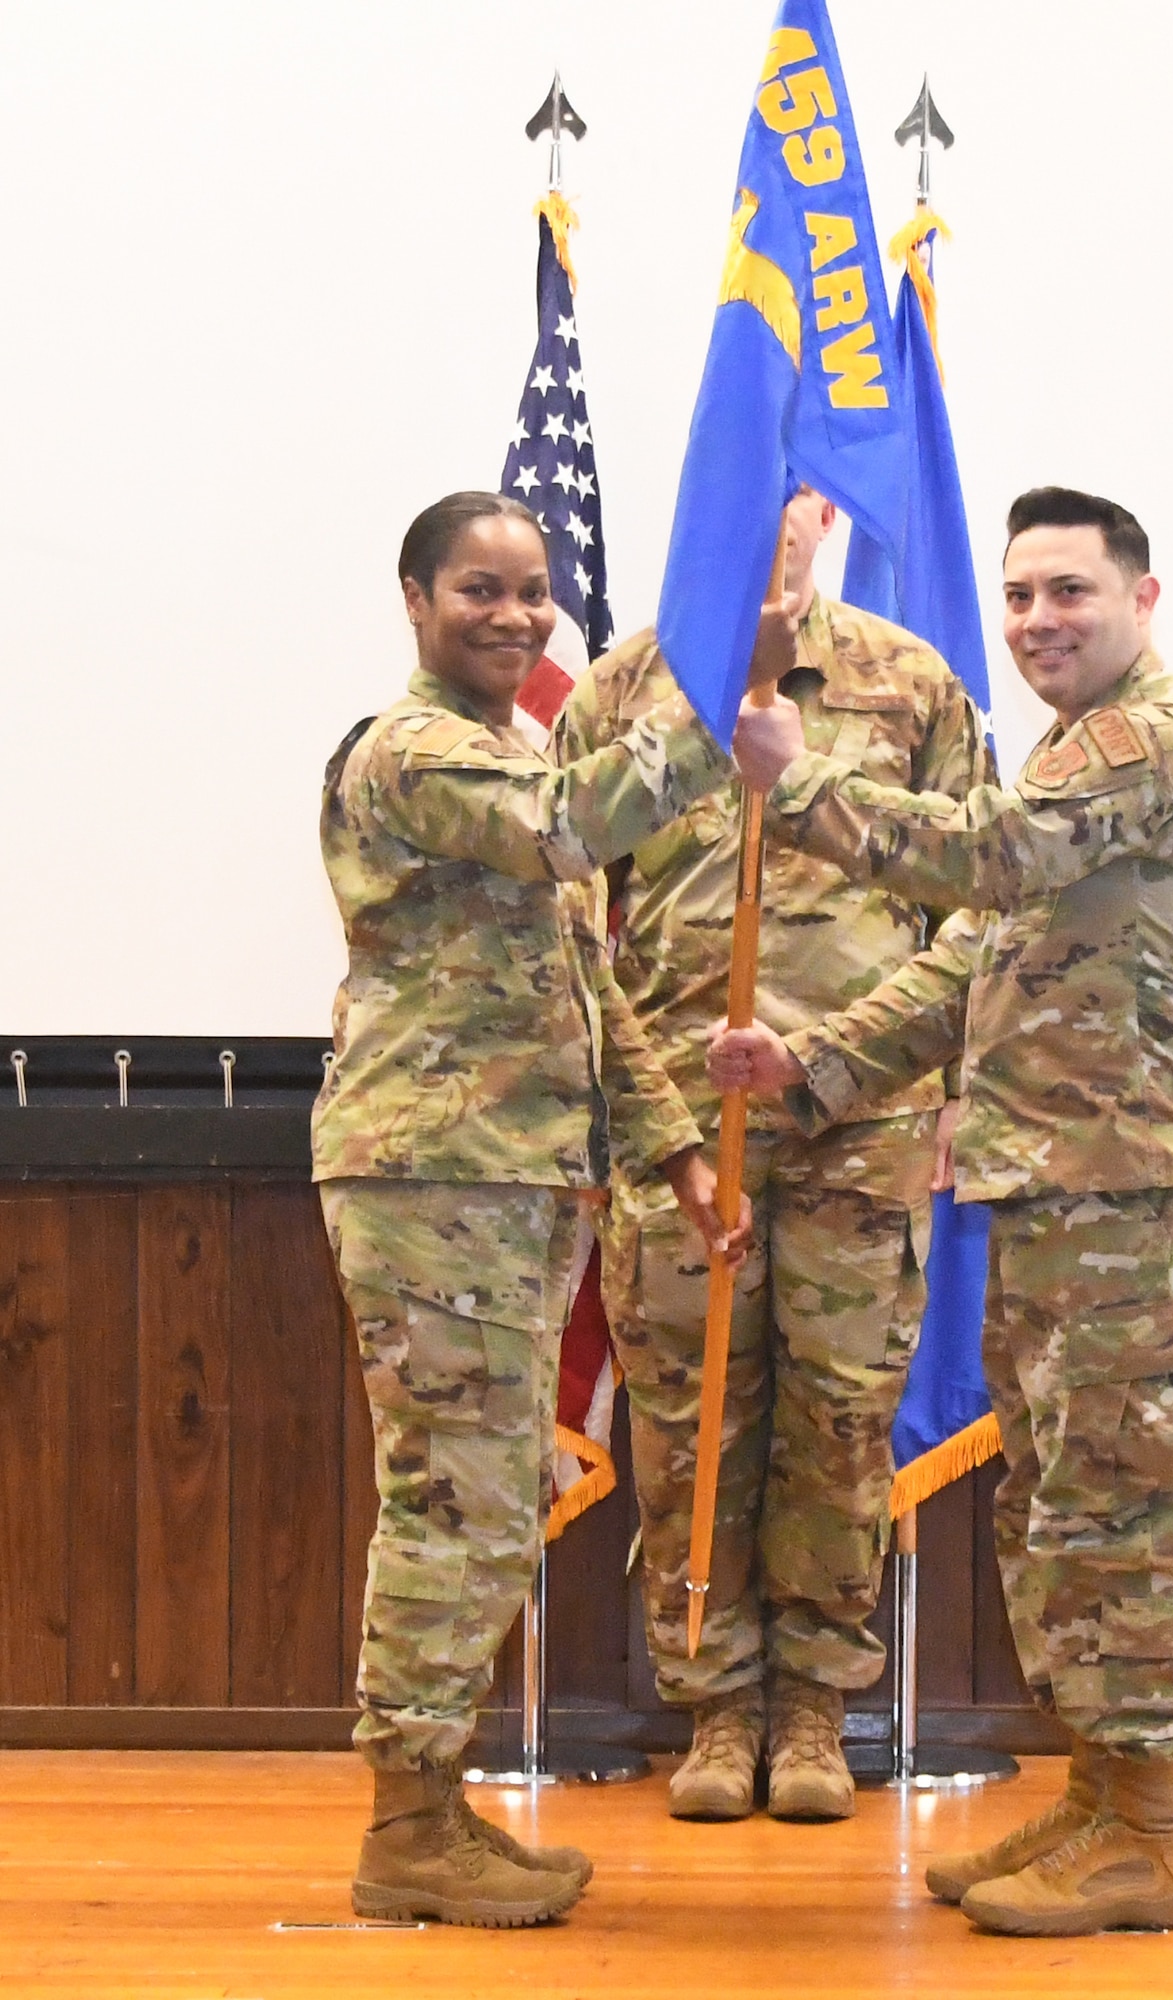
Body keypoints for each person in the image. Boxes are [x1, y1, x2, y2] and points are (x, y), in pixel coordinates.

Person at [713, 487, 1173, 1935]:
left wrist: (800, 781)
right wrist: (814, 1062)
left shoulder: (1157, 743)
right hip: (1055, 1200)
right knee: (1061, 1514)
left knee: (1125, 1520)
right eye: (1018, 596)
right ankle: (1098, 1798)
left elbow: (987, 857)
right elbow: (970, 965)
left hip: (1139, 1207)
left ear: (1143, 599)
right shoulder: (1075, 755)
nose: (1035, 621)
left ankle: (1151, 1831)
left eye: (1069, 592)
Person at [313, 490, 753, 1928]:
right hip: (434, 1181)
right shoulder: (418, 752)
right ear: (414, 599)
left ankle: (433, 1805)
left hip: (511, 1183)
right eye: (478, 590)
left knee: (489, 1503)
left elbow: (594, 991)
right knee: (454, 1500)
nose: (514, 616)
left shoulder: (512, 742)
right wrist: (705, 708)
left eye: (533, 590)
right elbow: (576, 824)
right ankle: (403, 1824)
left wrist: (680, 1148)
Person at [552, 486, 992, 1823]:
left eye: (794, 502)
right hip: (681, 1141)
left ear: (824, 521)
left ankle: (814, 1707)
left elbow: (980, 907)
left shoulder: (909, 685)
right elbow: (573, 926)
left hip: (862, 1127)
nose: (769, 527)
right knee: (693, 1431)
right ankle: (715, 1707)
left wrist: (865, 1062)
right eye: (748, 495)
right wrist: (656, 1122)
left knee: (841, 1425)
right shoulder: (627, 688)